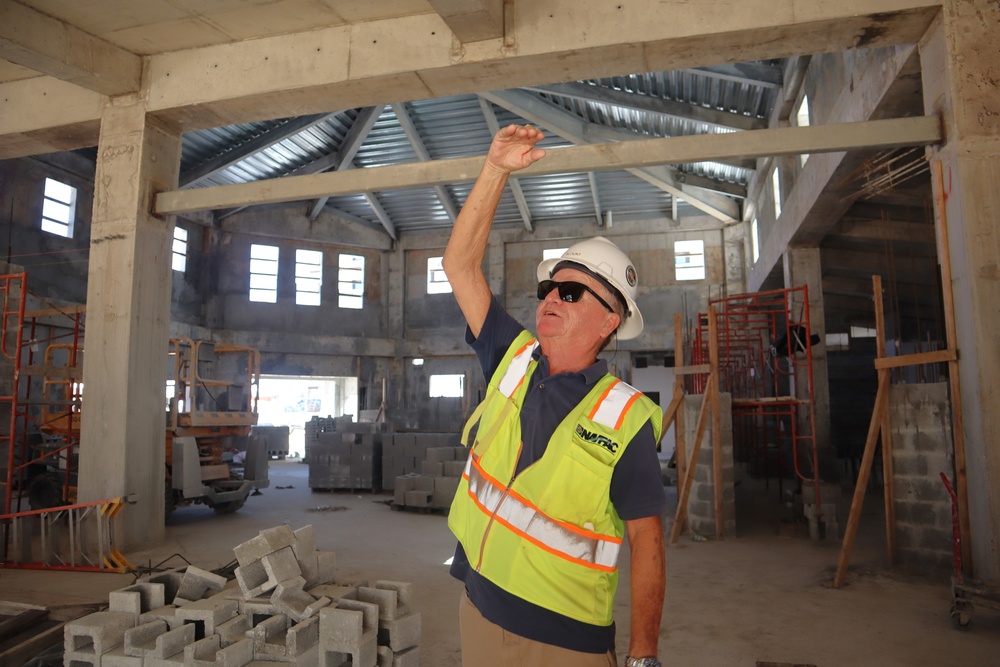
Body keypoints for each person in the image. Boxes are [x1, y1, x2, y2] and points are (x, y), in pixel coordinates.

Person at [443, 124, 666, 667]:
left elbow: (648, 542)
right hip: (477, 607)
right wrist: (495, 169)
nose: (551, 300)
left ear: (611, 319)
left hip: (564, 645)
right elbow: (460, 267)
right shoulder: (512, 358)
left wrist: (642, 656)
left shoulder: (625, 420)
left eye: (570, 293)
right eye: (548, 289)